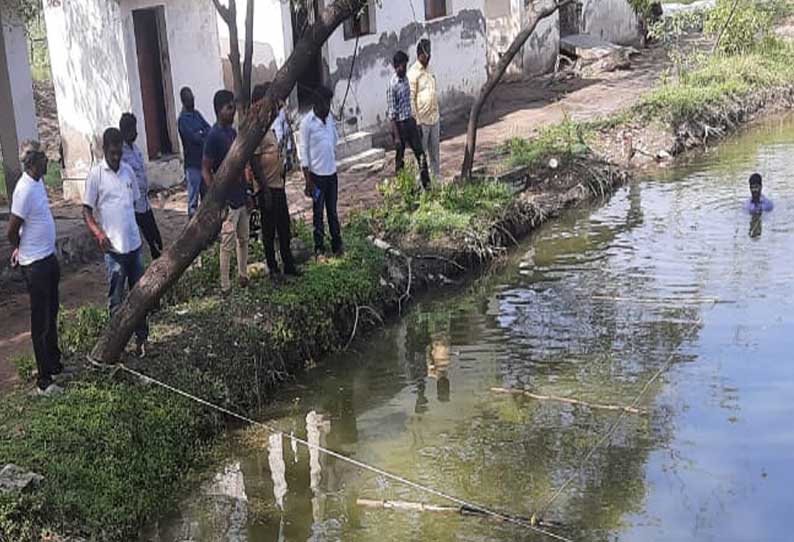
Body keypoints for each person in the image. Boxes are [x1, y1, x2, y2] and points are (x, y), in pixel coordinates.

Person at [83, 128, 149, 357]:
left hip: (134, 245)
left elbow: (135, 206)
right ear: (104, 149)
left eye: (119, 152)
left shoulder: (128, 171)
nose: (117, 157)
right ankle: (116, 346)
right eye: (112, 153)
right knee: (116, 299)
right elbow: (87, 212)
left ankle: (142, 340)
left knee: (140, 295)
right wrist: (98, 233)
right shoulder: (96, 176)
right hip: (113, 250)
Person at [7, 141, 63, 394]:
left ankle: (55, 365)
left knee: (52, 314)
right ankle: (43, 380)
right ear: (32, 163)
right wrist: (19, 249)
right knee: (40, 322)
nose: (47, 161)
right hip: (35, 265)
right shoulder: (23, 190)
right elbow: (11, 230)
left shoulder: (38, 182)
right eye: (43, 158)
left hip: (48, 258)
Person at [203, 89, 251, 293]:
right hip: (228, 200)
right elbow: (205, 169)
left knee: (244, 239)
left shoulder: (232, 133)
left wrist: (248, 192)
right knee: (227, 244)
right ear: (218, 110)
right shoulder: (213, 136)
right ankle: (225, 286)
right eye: (228, 107)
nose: (233, 111)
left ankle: (243, 275)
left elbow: (241, 165)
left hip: (240, 195)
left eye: (233, 107)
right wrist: (217, 197)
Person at [250, 83, 300, 277]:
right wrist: (264, 188)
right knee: (269, 230)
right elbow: (254, 161)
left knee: (284, 227)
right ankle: (273, 268)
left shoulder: (268, 126)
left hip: (278, 184)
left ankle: (288, 264)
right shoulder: (256, 129)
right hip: (267, 188)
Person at [300, 86, 343, 258]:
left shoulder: (329, 118)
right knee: (318, 213)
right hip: (316, 177)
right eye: (326, 103)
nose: (328, 107)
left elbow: (334, 139)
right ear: (317, 104)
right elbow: (303, 152)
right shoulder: (307, 123)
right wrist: (307, 180)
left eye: (329, 103)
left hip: (331, 174)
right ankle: (319, 249)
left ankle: (337, 245)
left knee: (332, 211)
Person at [120, 113, 163, 260]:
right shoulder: (121, 154)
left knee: (157, 239)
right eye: (133, 129)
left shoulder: (135, 149)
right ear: (125, 131)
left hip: (144, 202)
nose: (136, 132)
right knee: (145, 241)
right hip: (133, 205)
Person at [388, 50, 431, 189]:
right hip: (399, 125)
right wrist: (396, 137)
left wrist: (416, 123)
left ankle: (427, 185)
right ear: (396, 66)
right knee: (400, 157)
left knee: (420, 153)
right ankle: (402, 186)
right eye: (402, 66)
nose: (404, 69)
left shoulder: (406, 79)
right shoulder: (392, 85)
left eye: (405, 66)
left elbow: (409, 102)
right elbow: (392, 112)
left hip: (410, 121)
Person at [409, 39, 441, 179]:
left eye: (429, 56)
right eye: (425, 56)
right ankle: (421, 184)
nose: (428, 58)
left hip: (434, 118)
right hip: (421, 121)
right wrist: (416, 122)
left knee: (435, 153)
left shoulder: (431, 69)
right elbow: (411, 98)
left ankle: (436, 181)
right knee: (421, 156)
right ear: (419, 55)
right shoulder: (413, 73)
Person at [178, 87, 211, 218]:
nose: (192, 101)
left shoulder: (197, 114)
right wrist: (201, 133)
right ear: (183, 101)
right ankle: (192, 231)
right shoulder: (182, 120)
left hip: (203, 163)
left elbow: (208, 128)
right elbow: (193, 138)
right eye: (189, 100)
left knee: (206, 197)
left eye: (193, 98)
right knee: (193, 201)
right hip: (192, 165)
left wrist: (201, 134)